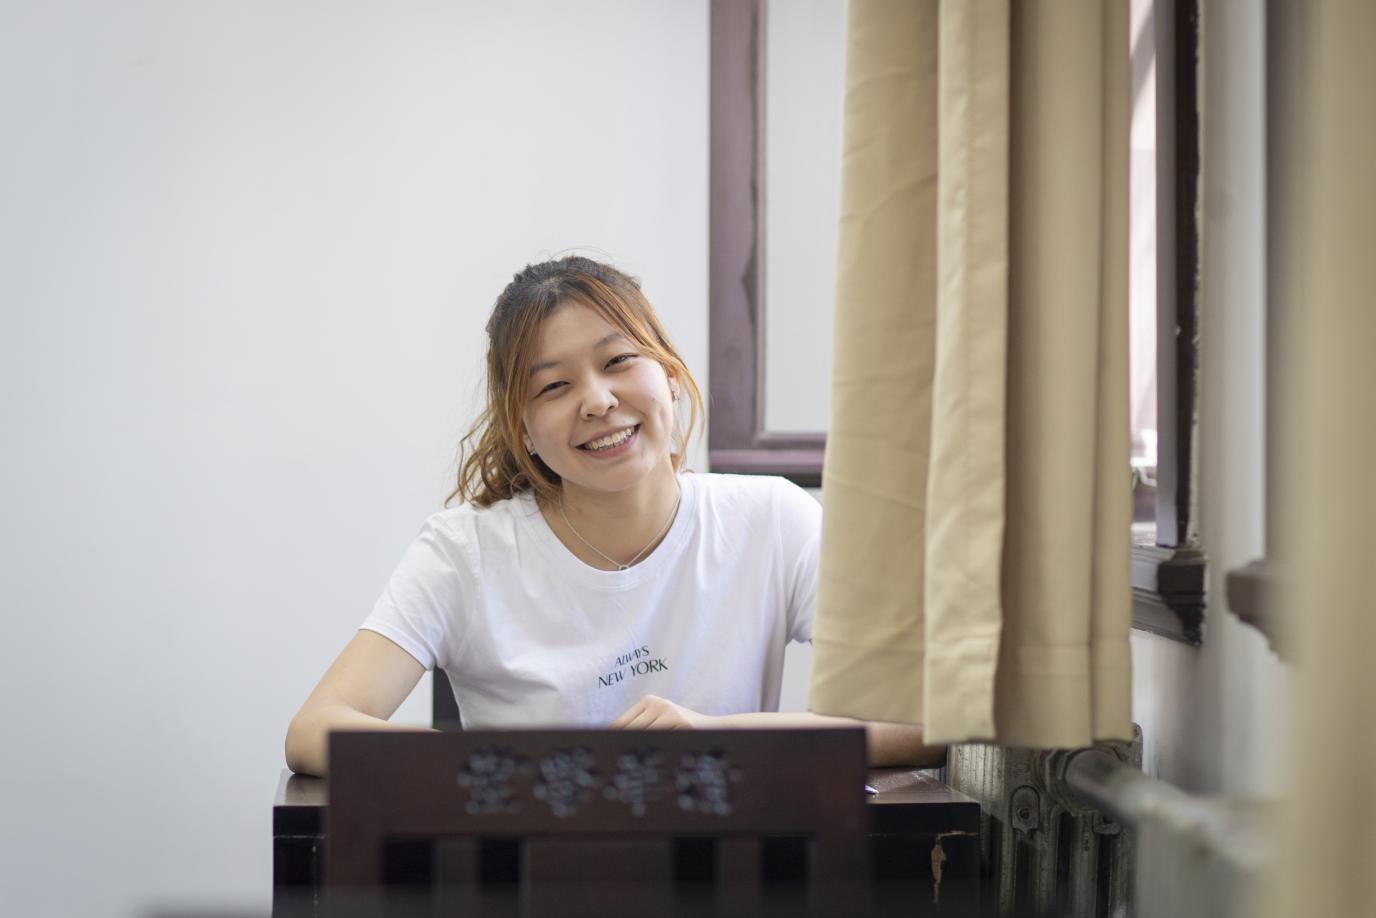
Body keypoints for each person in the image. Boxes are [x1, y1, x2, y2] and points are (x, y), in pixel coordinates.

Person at [284, 256, 943, 776]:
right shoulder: (464, 553)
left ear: (670, 375)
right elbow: (315, 728)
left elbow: (921, 720)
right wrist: (499, 766)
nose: (597, 401)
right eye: (554, 386)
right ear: (523, 431)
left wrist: (717, 737)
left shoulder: (772, 519)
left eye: (618, 361)